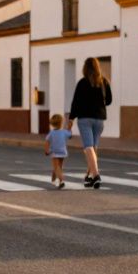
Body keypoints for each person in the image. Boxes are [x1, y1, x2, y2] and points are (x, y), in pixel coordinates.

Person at [67, 57, 112, 189]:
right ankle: (89, 177)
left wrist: (71, 119)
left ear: (85, 68)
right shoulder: (104, 82)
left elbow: (75, 102)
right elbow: (109, 100)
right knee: (93, 148)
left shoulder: (82, 83)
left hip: (85, 119)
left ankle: (96, 175)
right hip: (99, 119)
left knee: (88, 147)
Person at [44, 114, 72, 189]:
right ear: (61, 122)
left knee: (56, 167)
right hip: (63, 152)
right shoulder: (64, 132)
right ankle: (53, 179)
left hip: (54, 152)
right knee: (58, 167)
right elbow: (70, 136)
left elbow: (47, 142)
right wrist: (69, 127)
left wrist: (46, 151)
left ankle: (61, 180)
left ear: (52, 124)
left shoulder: (51, 133)